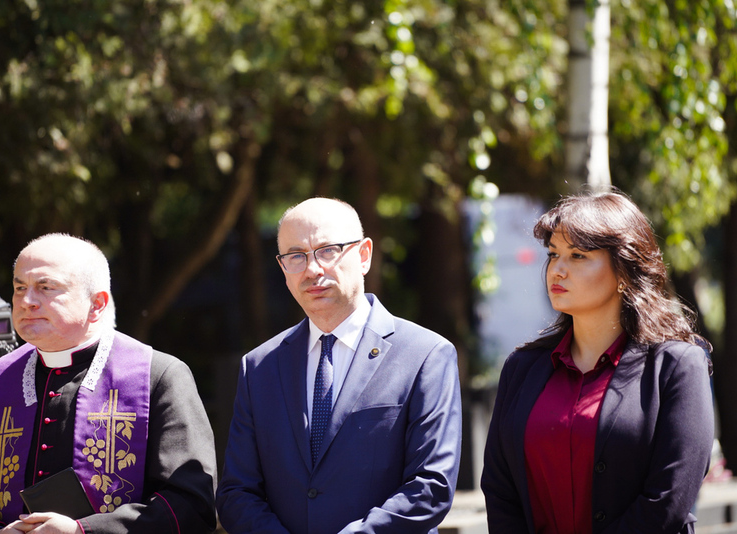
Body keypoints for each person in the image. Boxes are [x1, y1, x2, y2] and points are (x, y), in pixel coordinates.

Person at [0, 233, 218, 534]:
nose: (26, 301)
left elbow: (190, 505)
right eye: (20, 288)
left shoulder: (159, 375)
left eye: (46, 287)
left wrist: (83, 531)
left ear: (97, 304)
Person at [215, 197, 462, 533]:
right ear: (283, 268)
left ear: (364, 255)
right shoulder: (259, 367)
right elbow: (236, 492)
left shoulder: (425, 354)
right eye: (296, 256)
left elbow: (431, 486)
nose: (312, 269)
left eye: (327, 250)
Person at [481, 190, 714, 534]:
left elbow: (668, 500)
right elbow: (501, 491)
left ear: (624, 270)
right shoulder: (522, 367)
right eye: (553, 254)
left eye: (577, 255)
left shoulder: (677, 365)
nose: (557, 270)